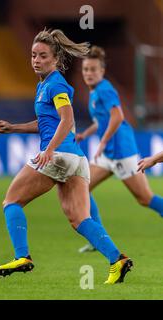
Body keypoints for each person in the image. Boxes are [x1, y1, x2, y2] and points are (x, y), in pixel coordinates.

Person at [0, 29, 132, 284]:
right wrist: (14, 127)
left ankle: (22, 256)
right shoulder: (44, 85)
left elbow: (67, 119)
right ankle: (117, 260)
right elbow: (48, 122)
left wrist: (49, 150)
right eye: (33, 55)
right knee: (80, 219)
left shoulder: (56, 84)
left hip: (58, 155)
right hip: (76, 160)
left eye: (43, 56)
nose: (36, 60)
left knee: (11, 201)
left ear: (55, 59)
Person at [77, 46, 163, 253]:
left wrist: (103, 142)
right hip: (107, 154)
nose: (88, 73)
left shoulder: (105, 89)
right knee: (81, 187)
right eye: (86, 69)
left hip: (122, 152)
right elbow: (102, 120)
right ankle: (97, 238)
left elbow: (118, 117)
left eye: (93, 69)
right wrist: (85, 134)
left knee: (145, 198)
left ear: (102, 71)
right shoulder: (94, 92)